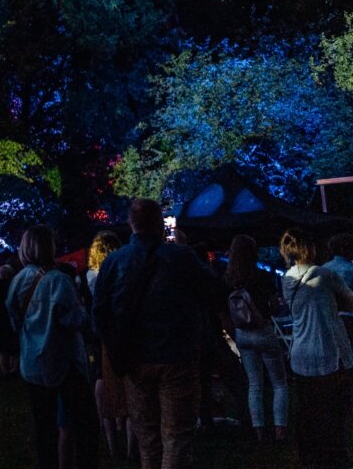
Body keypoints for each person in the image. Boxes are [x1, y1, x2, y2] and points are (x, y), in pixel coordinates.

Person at [92, 198, 221, 469]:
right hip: (177, 356)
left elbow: (100, 313)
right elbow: (214, 290)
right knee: (176, 437)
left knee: (148, 438)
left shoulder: (113, 263)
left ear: (131, 224)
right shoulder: (180, 257)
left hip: (134, 360)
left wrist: (116, 353)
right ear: (160, 225)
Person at [6, 225, 98, 469]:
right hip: (64, 362)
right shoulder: (59, 281)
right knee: (83, 423)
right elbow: (75, 320)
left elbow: (14, 319)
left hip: (32, 364)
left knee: (43, 426)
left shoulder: (17, 280)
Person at [280, 228, 353, 469]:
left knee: (308, 410)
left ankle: (309, 456)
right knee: (334, 410)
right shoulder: (324, 274)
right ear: (309, 248)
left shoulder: (287, 278)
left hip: (300, 353)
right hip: (328, 351)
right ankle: (335, 457)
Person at [222, 234, 287, 442]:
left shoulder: (228, 280)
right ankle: (280, 429)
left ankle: (259, 431)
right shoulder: (262, 276)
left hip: (242, 334)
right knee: (279, 382)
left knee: (254, 384)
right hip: (263, 330)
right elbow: (274, 305)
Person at [84, 231, 133, 459]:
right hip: (122, 331)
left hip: (97, 333)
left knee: (100, 378)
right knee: (128, 381)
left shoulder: (89, 277)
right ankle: (132, 444)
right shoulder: (122, 274)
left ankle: (112, 443)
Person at [0, 262, 20, 377]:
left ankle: (5, 370)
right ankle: (14, 368)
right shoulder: (14, 286)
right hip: (11, 319)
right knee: (14, 346)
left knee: (3, 348)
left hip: (0, 320)